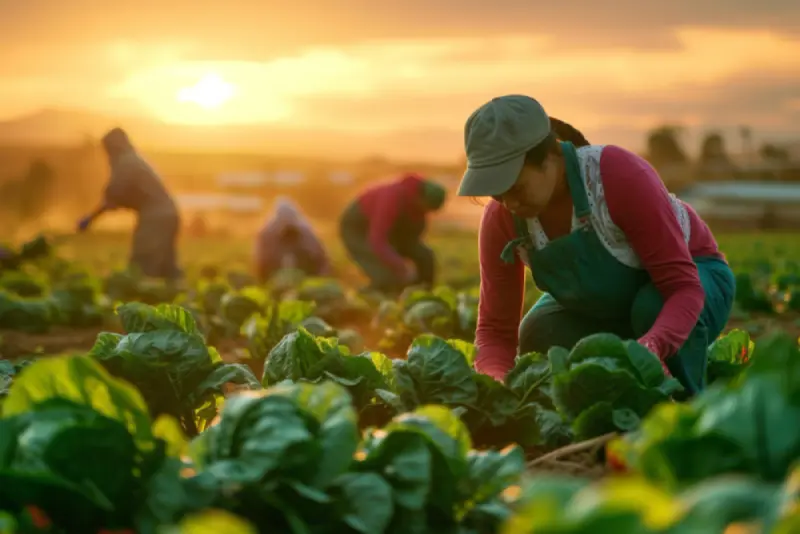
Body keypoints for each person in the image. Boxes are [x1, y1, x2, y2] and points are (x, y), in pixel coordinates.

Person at [457, 95, 735, 396]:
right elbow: (495, 332)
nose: (509, 203)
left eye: (516, 188)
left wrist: (653, 347)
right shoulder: (502, 219)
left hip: (695, 281)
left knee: (652, 307)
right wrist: (497, 384)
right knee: (539, 330)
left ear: (551, 157)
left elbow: (683, 288)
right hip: (607, 306)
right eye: (497, 194)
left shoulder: (617, 176)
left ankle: (685, 403)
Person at [76, 127, 182, 280]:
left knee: (142, 264)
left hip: (155, 218)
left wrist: (90, 219)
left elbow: (113, 195)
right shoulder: (134, 159)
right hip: (170, 214)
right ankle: (179, 295)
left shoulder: (125, 163)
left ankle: (144, 296)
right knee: (167, 265)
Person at [340, 173, 447, 294]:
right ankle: (363, 297)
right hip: (358, 228)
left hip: (388, 232)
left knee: (425, 256)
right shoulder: (391, 199)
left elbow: (413, 238)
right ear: (420, 198)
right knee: (386, 276)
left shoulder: (417, 207)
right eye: (426, 208)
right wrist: (400, 265)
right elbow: (377, 240)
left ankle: (422, 293)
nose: (426, 213)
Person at [253, 196, 331, 282]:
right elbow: (260, 263)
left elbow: (321, 260)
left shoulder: (307, 234)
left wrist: (318, 280)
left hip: (305, 278)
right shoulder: (267, 235)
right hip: (276, 281)